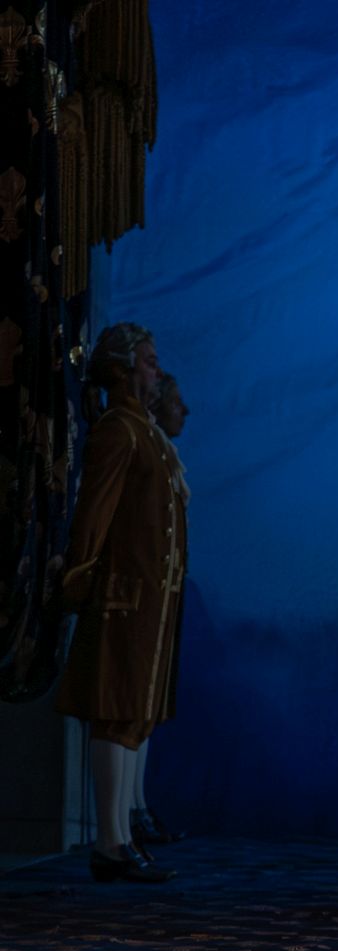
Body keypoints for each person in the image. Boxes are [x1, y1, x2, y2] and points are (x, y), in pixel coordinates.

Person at [56, 324, 185, 883]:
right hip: (122, 598)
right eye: (149, 361)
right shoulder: (119, 431)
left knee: (135, 710)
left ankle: (123, 834)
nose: (157, 371)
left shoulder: (143, 432)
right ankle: (110, 842)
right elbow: (95, 513)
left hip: (148, 600)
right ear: (124, 368)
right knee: (117, 709)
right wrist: (81, 576)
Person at [128, 373, 191, 848]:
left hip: (157, 589)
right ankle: (127, 816)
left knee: (142, 709)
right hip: (135, 589)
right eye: (176, 401)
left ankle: (135, 808)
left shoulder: (158, 448)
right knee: (127, 708)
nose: (183, 411)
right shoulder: (132, 438)